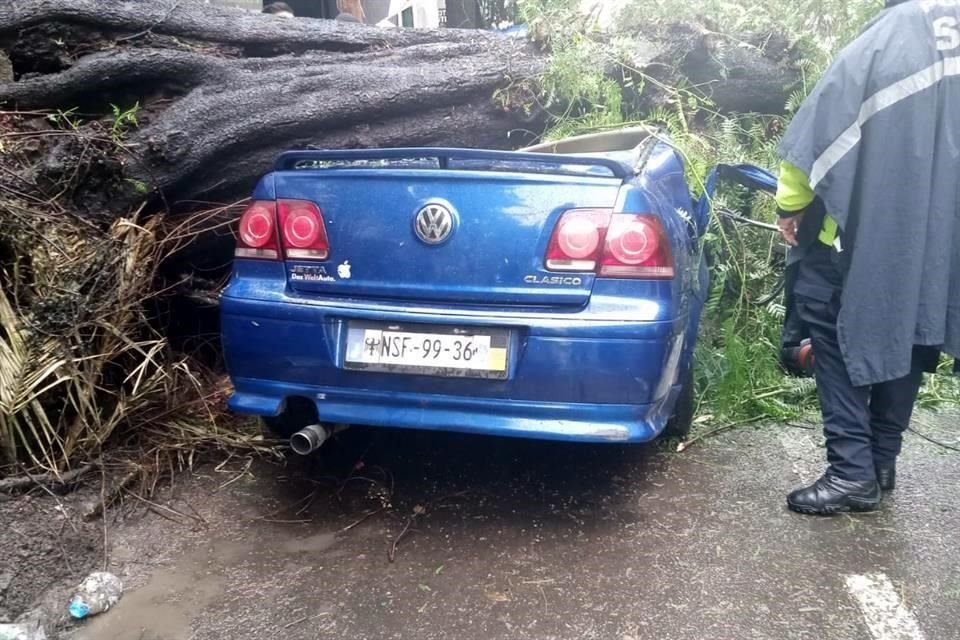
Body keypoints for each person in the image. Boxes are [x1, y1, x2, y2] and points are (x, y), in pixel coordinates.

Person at [775, 0, 960, 515]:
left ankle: (851, 473)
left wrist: (791, 207)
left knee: (833, 329)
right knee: (912, 332)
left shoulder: (897, 32)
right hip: (944, 241)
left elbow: (823, 131)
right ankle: (881, 461)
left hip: (867, 234)